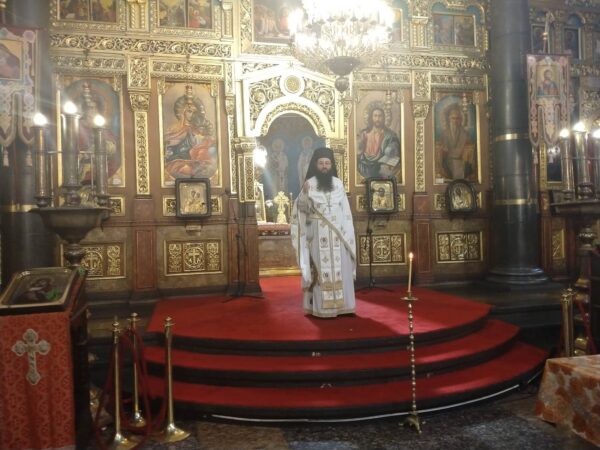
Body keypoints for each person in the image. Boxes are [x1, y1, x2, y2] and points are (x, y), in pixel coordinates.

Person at [291, 147, 356, 318]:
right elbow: (301, 209)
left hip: (339, 236)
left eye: (327, 163)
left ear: (331, 165)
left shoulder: (338, 184)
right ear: (316, 165)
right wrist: (305, 193)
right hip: (318, 235)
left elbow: (346, 212)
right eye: (321, 163)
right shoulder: (309, 184)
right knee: (320, 270)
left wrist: (347, 234)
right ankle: (323, 309)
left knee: (341, 270)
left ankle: (344, 307)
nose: (324, 166)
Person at [164, 85, 218, 182]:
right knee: (182, 169)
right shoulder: (175, 130)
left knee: (206, 168)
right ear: (183, 112)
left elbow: (207, 146)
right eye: (189, 111)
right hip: (179, 160)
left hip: (197, 161)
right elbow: (169, 150)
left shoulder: (199, 129)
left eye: (194, 112)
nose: (192, 114)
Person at [356, 107, 401, 179]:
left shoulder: (390, 135)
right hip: (364, 168)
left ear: (384, 118)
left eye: (380, 116)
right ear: (371, 117)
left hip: (381, 169)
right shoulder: (364, 134)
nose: (377, 119)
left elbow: (395, 155)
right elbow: (357, 152)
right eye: (375, 116)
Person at [437, 103, 475, 180]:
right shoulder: (444, 134)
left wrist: (467, 150)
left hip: (461, 162)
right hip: (448, 162)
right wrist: (442, 149)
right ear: (449, 119)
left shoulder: (465, 134)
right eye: (453, 118)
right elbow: (440, 148)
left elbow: (470, 148)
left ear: (461, 120)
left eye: (457, 118)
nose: (455, 121)